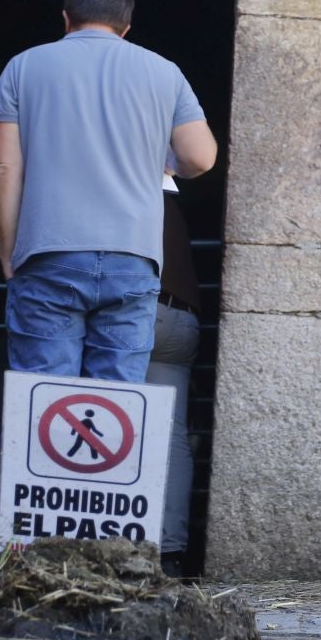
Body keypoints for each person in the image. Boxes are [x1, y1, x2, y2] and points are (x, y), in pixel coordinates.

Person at [0, 0, 218, 383]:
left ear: (65, 18)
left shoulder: (22, 67)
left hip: (47, 254)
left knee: (44, 400)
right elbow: (200, 158)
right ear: (126, 27)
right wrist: (161, 164)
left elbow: (5, 168)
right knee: (116, 410)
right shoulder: (165, 72)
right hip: (133, 257)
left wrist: (9, 252)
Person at [144, 174, 200, 577]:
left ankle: (111, 541)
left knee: (107, 419)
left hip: (136, 310)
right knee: (171, 434)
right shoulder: (173, 206)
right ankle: (169, 552)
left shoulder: (123, 186)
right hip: (181, 316)